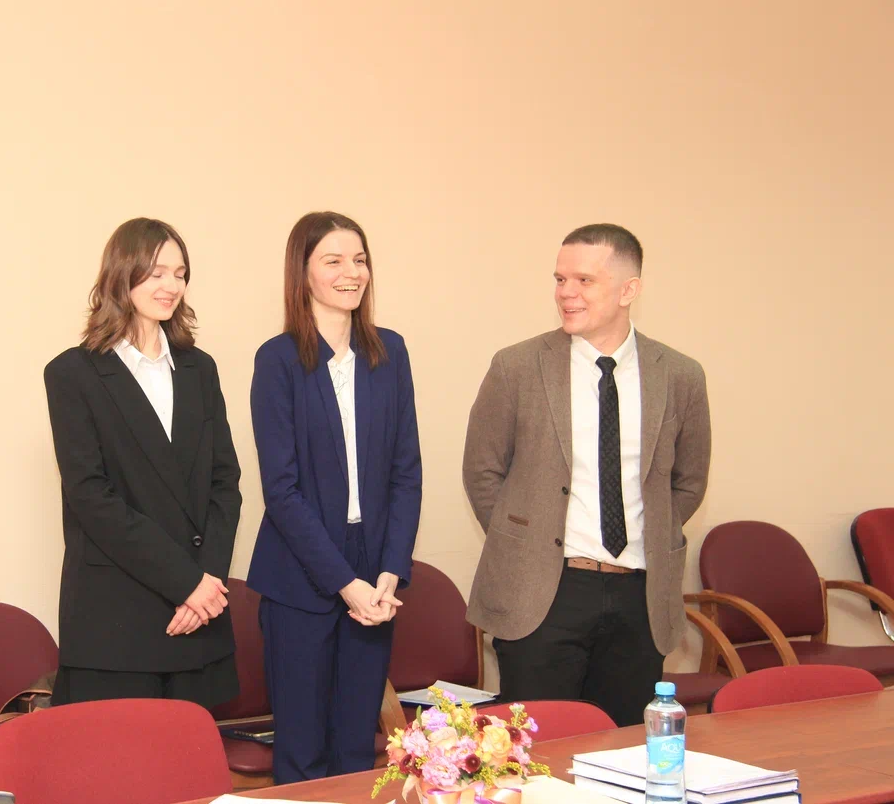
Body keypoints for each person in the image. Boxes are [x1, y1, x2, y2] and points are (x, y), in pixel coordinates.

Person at [462, 223, 711, 727]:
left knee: (625, 748)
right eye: (560, 279)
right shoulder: (517, 367)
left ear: (629, 290)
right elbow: (482, 472)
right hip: (542, 594)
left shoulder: (680, 375)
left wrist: (652, 534)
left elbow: (688, 481)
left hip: (640, 596)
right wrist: (526, 544)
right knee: (538, 749)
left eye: (584, 280)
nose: (566, 293)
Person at [247, 211, 422, 782]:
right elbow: (282, 491)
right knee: (302, 753)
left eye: (360, 260)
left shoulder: (389, 352)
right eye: (334, 260)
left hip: (375, 574)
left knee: (356, 749)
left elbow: (406, 473)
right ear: (303, 273)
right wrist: (347, 584)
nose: (352, 273)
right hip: (301, 576)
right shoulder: (277, 359)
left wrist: (390, 572)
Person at [43, 217, 242, 707]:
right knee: (117, 755)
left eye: (180, 273)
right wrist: (186, 583)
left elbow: (225, 482)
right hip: (117, 621)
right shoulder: (73, 373)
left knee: (196, 755)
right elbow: (92, 497)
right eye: (156, 273)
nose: (170, 285)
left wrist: (207, 583)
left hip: (197, 617)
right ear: (122, 275)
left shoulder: (200, 368)